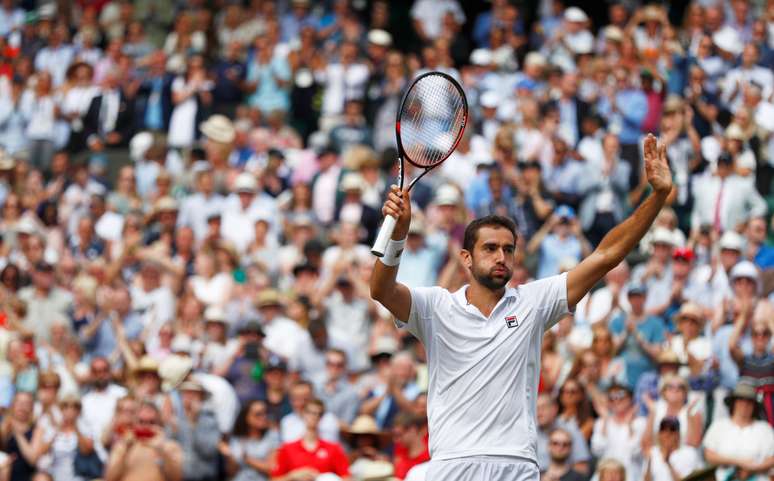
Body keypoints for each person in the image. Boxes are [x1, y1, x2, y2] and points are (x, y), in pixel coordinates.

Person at [370, 133, 674, 481]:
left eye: (508, 249)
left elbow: (605, 256)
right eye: (490, 249)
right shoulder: (436, 306)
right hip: (452, 463)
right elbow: (380, 289)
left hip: (516, 464)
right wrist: (397, 232)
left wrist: (658, 196)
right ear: (466, 258)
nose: (501, 257)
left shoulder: (533, 302)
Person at [702, 382, 774, 481]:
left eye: (749, 401)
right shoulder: (719, 425)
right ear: (733, 403)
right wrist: (739, 462)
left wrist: (753, 469)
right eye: (741, 400)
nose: (745, 405)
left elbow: (772, 459)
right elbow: (709, 455)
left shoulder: (764, 429)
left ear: (754, 406)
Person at [271, 398, 350, 481]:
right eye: (310, 412)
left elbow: (347, 477)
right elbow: (274, 479)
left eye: (319, 414)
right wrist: (292, 476)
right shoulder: (288, 448)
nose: (314, 416)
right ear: (303, 414)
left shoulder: (333, 448)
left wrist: (324, 478)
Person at [104, 401, 184, 481]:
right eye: (141, 422)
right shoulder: (122, 446)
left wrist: (162, 451)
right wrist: (126, 450)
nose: (146, 426)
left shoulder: (170, 446)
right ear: (134, 422)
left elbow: (177, 478)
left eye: (151, 422)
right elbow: (109, 478)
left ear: (159, 423)